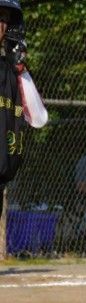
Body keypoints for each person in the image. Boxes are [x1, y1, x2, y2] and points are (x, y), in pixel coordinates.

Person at [0, 0, 26, 217]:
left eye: (5, 20)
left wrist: (21, 70)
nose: (2, 25)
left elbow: (33, 114)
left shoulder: (12, 70)